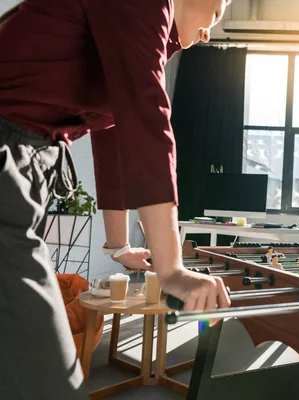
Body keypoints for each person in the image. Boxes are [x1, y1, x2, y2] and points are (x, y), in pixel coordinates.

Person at [0, 1, 232, 399]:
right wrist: (171, 269)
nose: (209, 33)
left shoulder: (135, 32)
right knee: (49, 382)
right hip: (10, 161)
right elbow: (147, 122)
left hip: (22, 168)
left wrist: (120, 247)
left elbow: (114, 137)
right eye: (215, 15)